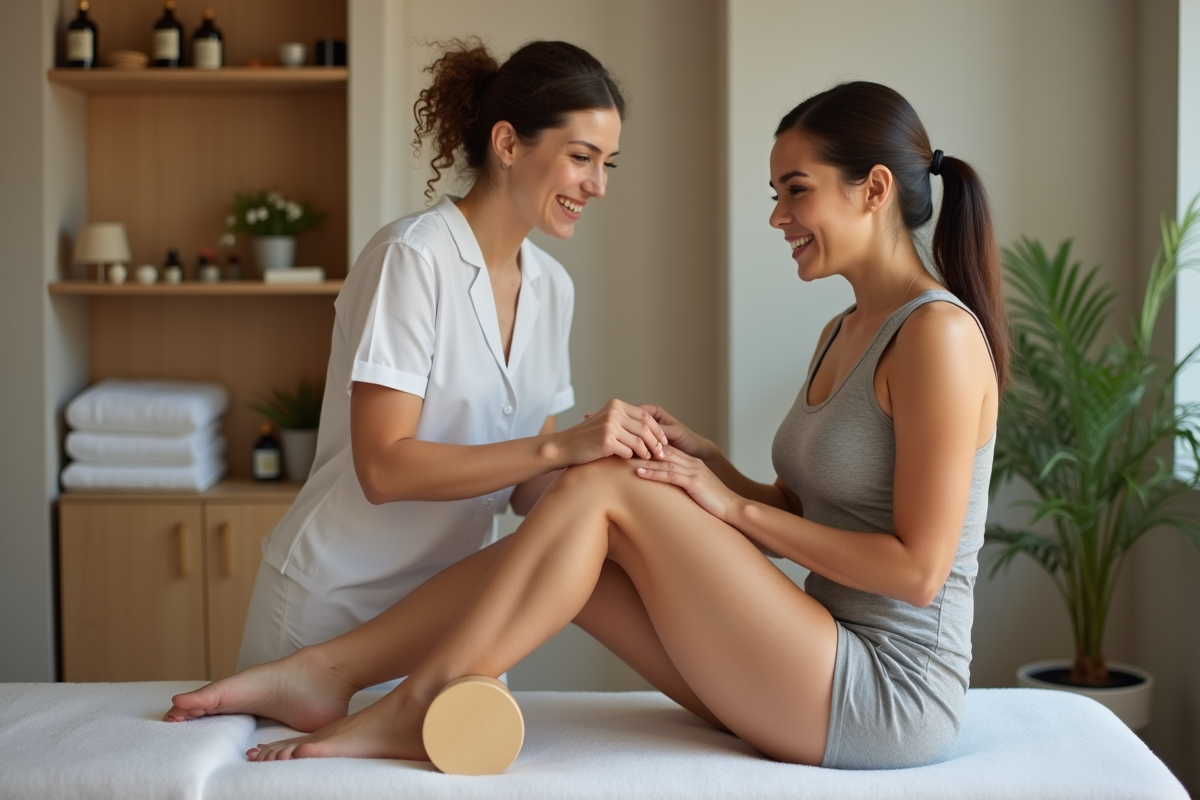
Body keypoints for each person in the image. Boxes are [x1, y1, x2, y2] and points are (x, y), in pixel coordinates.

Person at [166, 81, 1008, 771]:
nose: (777, 217)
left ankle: (414, 699)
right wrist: (710, 466)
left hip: (886, 695)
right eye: (775, 194)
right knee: (599, 499)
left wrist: (729, 507)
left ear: (874, 189)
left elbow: (916, 572)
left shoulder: (934, 337)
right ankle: (328, 673)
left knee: (603, 483)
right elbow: (804, 513)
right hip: (816, 658)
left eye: (796, 191)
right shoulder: (845, 329)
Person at [232, 37, 671, 672]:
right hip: (331, 608)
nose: (598, 185)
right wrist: (559, 449)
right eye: (582, 157)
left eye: (609, 164)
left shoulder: (552, 289)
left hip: (445, 617)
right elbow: (384, 470)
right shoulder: (411, 258)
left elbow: (524, 490)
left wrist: (627, 467)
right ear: (509, 144)